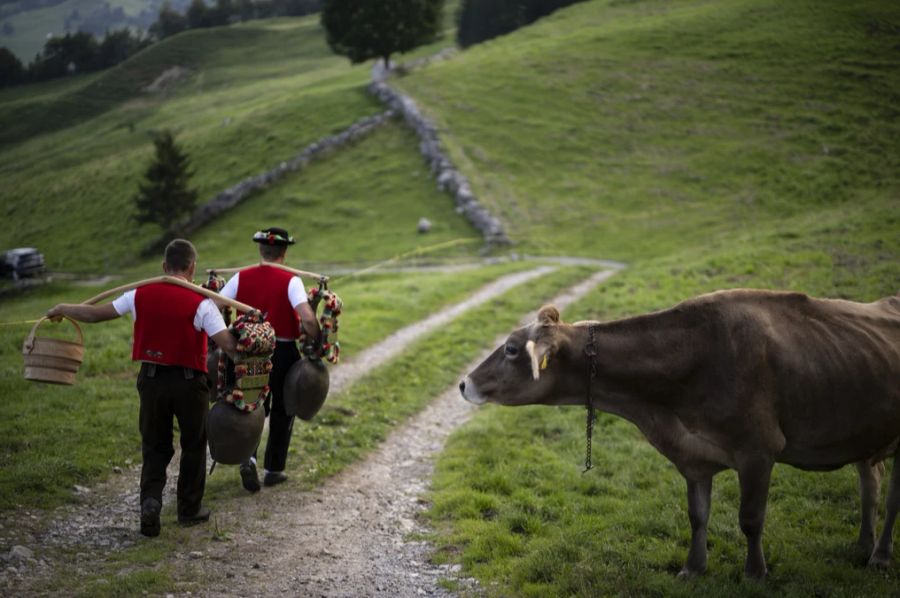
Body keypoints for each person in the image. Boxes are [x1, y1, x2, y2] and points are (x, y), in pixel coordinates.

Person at [47, 239, 238, 538]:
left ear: (163, 266)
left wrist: (62, 307)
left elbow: (97, 314)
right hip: (190, 383)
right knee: (194, 443)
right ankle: (189, 509)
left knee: (154, 445)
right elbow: (228, 345)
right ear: (192, 268)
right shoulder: (201, 302)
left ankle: (150, 502)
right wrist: (253, 334)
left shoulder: (139, 294)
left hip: (151, 381)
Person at [219, 227, 320, 491]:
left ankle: (248, 457)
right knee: (283, 410)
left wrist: (228, 338)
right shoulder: (291, 280)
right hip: (282, 351)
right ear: (284, 252)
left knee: (248, 405)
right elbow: (307, 318)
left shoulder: (241, 276)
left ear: (260, 250)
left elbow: (214, 306)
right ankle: (274, 469)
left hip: (245, 352)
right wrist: (317, 340)